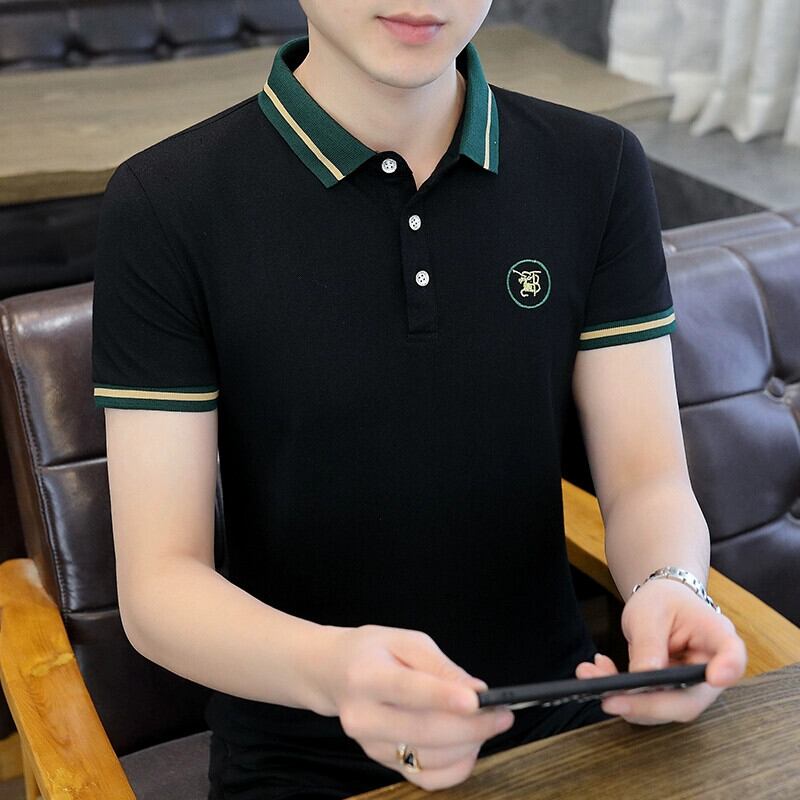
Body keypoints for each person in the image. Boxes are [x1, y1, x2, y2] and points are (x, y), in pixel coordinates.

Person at [91, 2, 748, 798]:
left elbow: (647, 479)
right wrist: (337, 673)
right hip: (304, 757)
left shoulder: (596, 165)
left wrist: (672, 586)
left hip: (563, 719)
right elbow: (160, 587)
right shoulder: (165, 202)